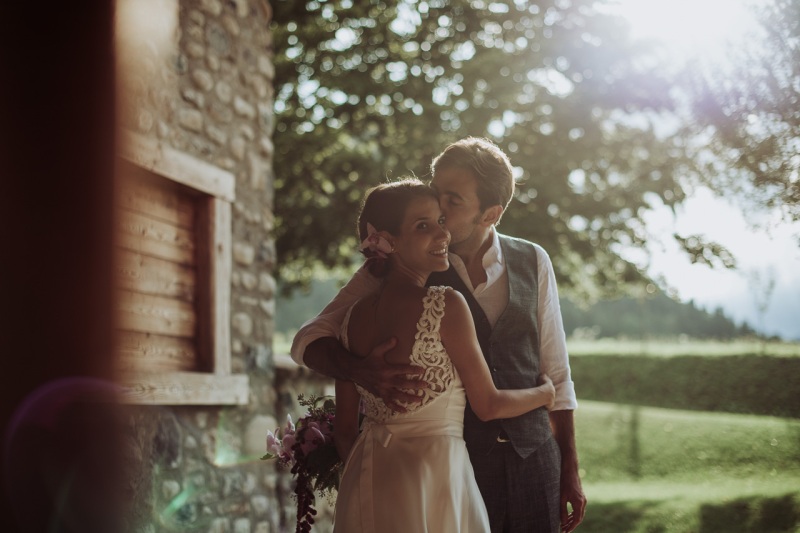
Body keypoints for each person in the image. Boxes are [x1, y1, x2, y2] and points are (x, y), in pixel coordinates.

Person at [292, 137, 587, 532]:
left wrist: (570, 469)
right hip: (454, 470)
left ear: (491, 214)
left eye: (453, 201)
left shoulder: (533, 260)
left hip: (535, 465)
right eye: (437, 191)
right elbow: (310, 339)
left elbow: (557, 372)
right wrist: (359, 370)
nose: (439, 209)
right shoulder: (403, 263)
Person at [332, 178, 556, 532]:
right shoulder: (445, 304)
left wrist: (373, 477)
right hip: (435, 474)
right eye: (423, 226)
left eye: (440, 221)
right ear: (388, 241)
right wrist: (545, 393)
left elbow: (344, 431)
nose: (443, 235)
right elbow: (489, 404)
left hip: (369, 476)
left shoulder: (350, 319)